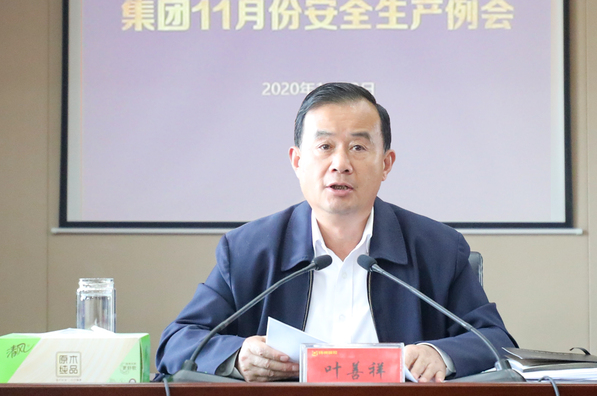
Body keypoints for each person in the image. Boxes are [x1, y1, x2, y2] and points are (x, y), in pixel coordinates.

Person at [156, 82, 516, 382]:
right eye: (324, 147)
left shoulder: (438, 248)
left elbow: (496, 341)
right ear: (298, 161)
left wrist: (439, 353)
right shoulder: (248, 250)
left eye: (358, 147)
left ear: (386, 163)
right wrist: (238, 355)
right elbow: (177, 343)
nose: (340, 164)